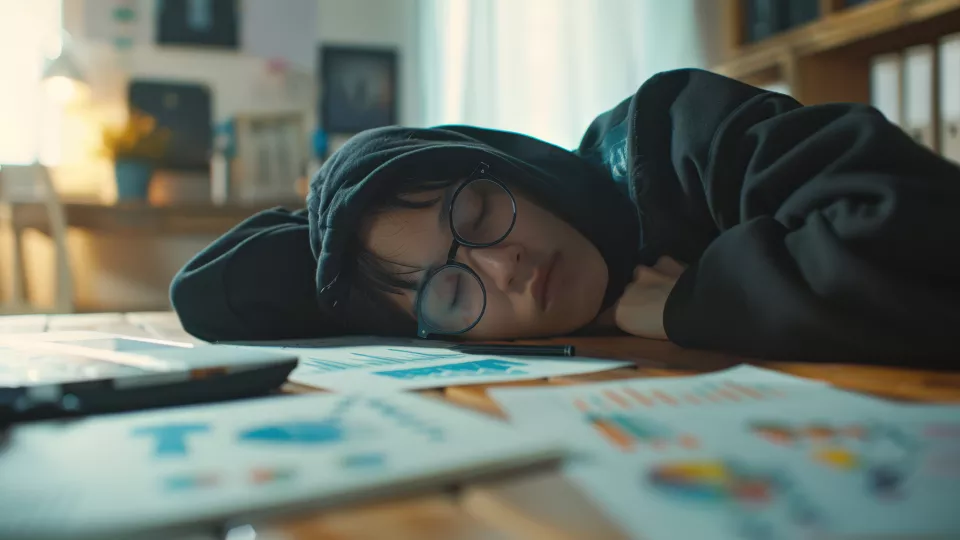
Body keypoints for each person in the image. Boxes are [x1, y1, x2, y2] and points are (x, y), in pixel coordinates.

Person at [171, 69, 960, 367]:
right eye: (453, 290)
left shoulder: (672, 132)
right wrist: (336, 243)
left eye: (478, 211)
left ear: (512, 166)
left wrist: (693, 302)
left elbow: (918, 227)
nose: (504, 267)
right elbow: (208, 296)